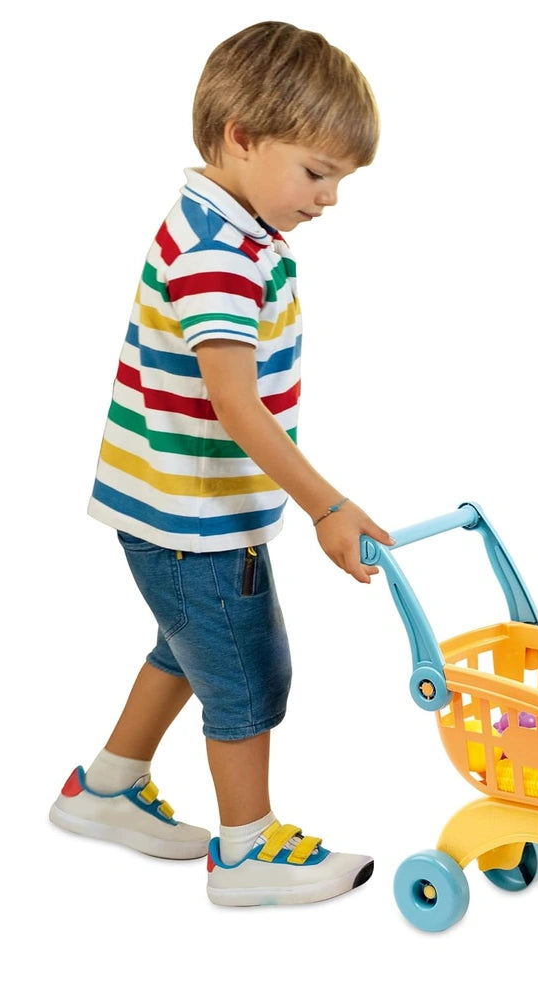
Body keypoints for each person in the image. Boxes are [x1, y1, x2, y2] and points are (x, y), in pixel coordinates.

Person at [48, 21, 393, 907]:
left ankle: (107, 787)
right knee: (247, 672)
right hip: (191, 519)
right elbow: (236, 406)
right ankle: (246, 852)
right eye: (316, 173)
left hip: (174, 504)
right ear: (242, 136)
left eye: (340, 180)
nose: (329, 199)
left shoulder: (228, 228)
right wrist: (328, 507)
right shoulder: (217, 254)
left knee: (188, 645)